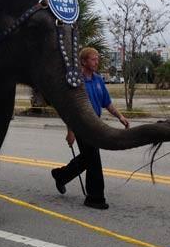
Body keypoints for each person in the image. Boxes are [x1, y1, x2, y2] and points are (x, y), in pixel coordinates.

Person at [50, 47, 129, 210]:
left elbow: (107, 103)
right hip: (81, 124)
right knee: (93, 158)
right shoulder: (76, 81)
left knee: (87, 158)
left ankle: (61, 175)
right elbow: (69, 107)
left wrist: (120, 116)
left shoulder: (99, 80)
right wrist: (70, 131)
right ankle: (95, 197)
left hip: (96, 124)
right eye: (93, 59)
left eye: (97, 59)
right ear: (84, 61)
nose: (97, 62)